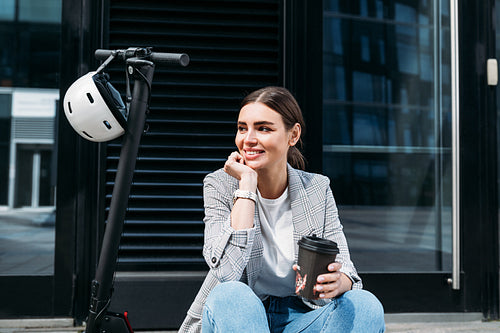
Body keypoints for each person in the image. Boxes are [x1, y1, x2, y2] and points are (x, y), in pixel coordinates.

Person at [179, 87, 385, 332]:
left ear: (293, 135)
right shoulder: (220, 185)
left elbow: (346, 268)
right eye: (243, 128)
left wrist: (338, 282)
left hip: (303, 316)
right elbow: (226, 273)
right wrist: (246, 185)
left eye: (263, 128)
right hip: (239, 318)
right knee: (231, 295)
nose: (248, 139)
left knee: (364, 304)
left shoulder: (317, 188)